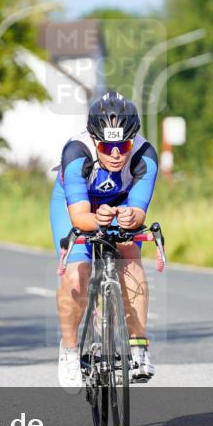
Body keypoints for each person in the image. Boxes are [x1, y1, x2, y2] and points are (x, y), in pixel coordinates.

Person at [50, 92, 158, 391]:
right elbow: (80, 217)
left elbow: (138, 210)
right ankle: (71, 352)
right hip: (76, 206)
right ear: (94, 140)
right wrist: (99, 219)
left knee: (130, 261)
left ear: (132, 141)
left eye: (122, 146)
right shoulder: (76, 153)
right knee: (78, 272)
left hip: (119, 202)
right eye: (106, 146)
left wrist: (129, 217)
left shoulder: (144, 156)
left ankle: (139, 348)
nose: (114, 154)